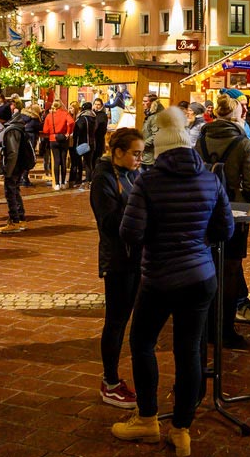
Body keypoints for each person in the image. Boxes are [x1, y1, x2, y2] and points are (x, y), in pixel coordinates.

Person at [113, 107, 233, 456]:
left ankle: (148, 419)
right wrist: (198, 242)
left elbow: (130, 232)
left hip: (159, 277)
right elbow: (225, 229)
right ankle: (181, 430)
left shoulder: (148, 181)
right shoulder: (210, 179)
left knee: (143, 343)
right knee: (190, 350)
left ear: (161, 149)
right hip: (200, 276)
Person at [196, 92, 250, 341]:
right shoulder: (242, 142)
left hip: (205, 208)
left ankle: (206, 325)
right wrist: (246, 200)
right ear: (235, 116)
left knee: (208, 264)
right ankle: (226, 328)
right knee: (232, 267)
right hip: (233, 209)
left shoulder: (201, 137)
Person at [90, 127, 144, 410]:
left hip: (138, 256)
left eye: (141, 153)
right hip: (119, 259)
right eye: (135, 153)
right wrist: (138, 209)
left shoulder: (134, 174)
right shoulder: (103, 179)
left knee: (131, 319)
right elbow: (108, 223)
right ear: (118, 152)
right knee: (116, 320)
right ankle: (109, 381)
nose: (139, 159)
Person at [0, 103, 33, 233]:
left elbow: (12, 152)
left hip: (14, 165)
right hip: (20, 164)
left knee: (10, 192)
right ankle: (21, 219)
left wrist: (7, 171)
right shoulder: (17, 126)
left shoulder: (11, 130)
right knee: (15, 191)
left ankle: (14, 221)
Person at [43, 100, 75, 190]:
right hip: (64, 139)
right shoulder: (65, 114)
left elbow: (45, 130)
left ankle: (57, 184)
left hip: (53, 139)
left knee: (56, 161)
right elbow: (72, 122)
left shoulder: (49, 116)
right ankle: (63, 182)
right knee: (63, 160)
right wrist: (68, 132)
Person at [139, 91, 163, 168]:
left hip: (151, 156)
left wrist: (142, 145)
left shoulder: (155, 116)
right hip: (146, 154)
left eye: (145, 101)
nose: (143, 103)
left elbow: (156, 136)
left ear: (153, 103)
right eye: (143, 101)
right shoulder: (150, 115)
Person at [66, 100, 85, 187]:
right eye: (69, 108)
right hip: (71, 142)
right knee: (74, 160)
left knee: (77, 160)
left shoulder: (79, 118)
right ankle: (74, 179)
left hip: (78, 142)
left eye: (72, 108)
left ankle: (75, 178)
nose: (70, 109)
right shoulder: (70, 116)